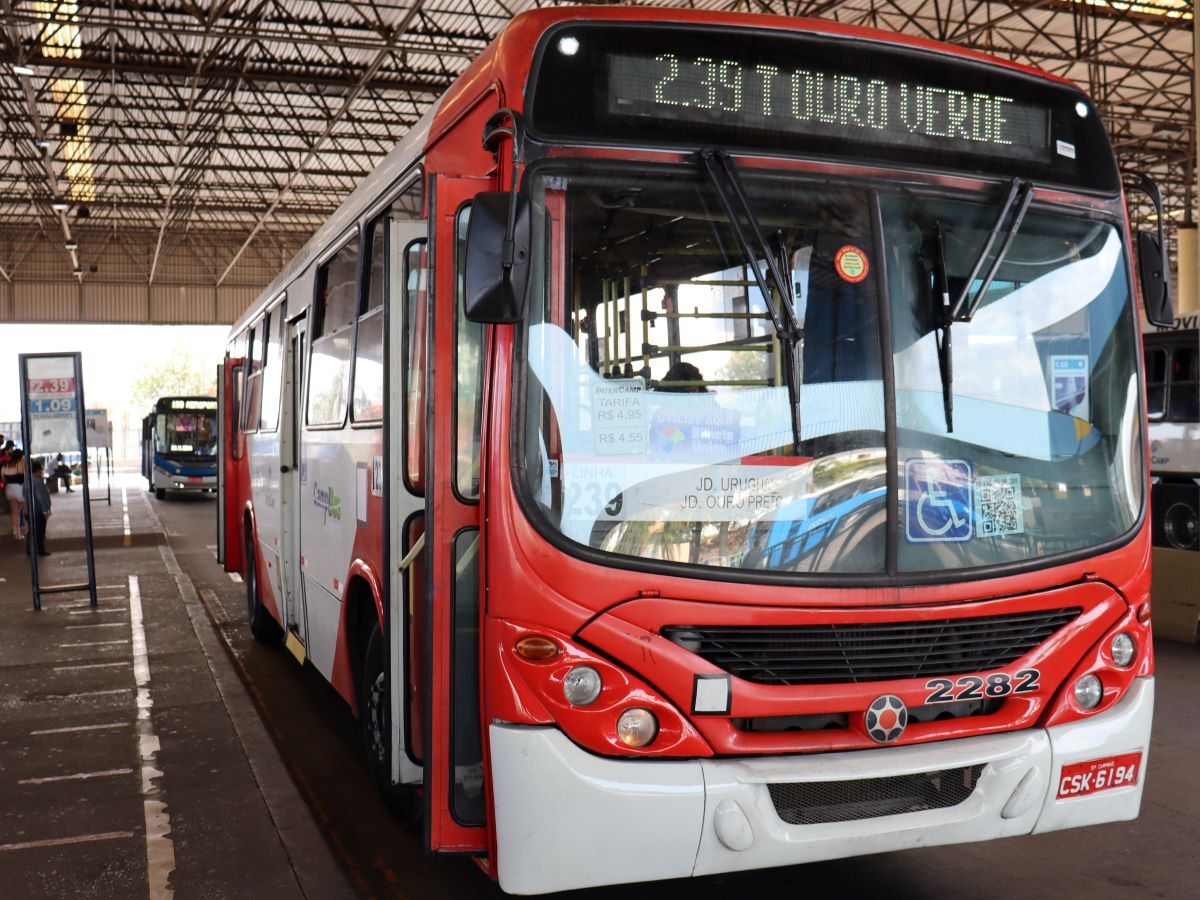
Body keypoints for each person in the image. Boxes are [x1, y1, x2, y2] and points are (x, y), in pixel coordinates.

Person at [28, 459, 51, 556]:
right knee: (40, 531)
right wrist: (46, 510)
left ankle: (29, 550)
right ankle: (40, 550)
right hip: (38, 509)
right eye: (41, 469)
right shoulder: (38, 481)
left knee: (31, 531)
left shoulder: (27, 480)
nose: (42, 471)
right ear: (38, 470)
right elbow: (42, 497)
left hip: (29, 509)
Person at [2, 448, 26, 540]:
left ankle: (17, 534)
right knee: (28, 510)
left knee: (14, 512)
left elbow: (3, 479)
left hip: (9, 489)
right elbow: (26, 475)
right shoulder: (20, 463)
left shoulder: (6, 465)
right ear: (21, 456)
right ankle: (28, 530)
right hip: (19, 489)